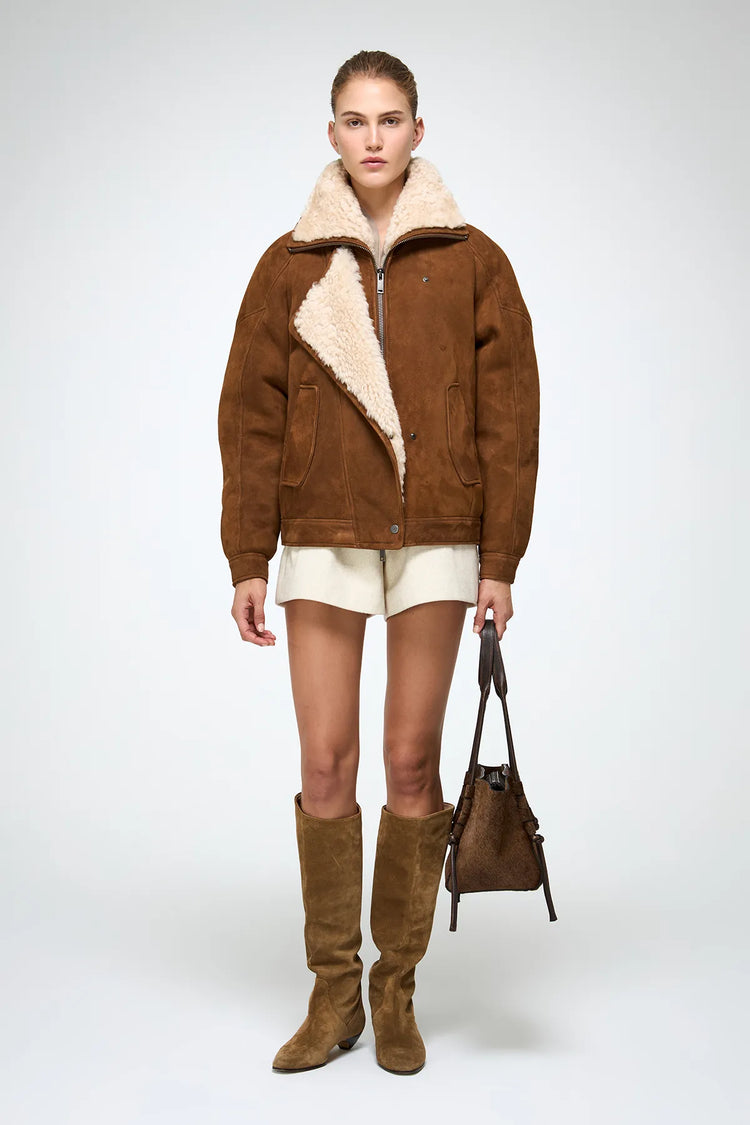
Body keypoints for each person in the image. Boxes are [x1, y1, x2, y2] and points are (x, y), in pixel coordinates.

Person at [217, 49, 540, 1075]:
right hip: (321, 527)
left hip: (440, 531)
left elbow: (511, 421)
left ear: (417, 131)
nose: (372, 138)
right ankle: (333, 994)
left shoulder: (477, 260)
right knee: (325, 762)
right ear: (331, 133)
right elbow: (249, 417)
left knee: (410, 762)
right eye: (354, 121)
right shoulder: (289, 264)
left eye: (389, 119)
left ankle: (396, 990)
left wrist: (501, 556)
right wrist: (247, 552)